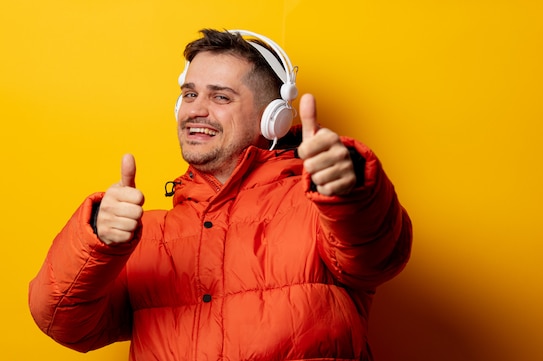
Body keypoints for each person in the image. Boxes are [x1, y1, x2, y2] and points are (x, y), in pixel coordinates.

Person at [29, 28, 412, 361]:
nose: (196, 110)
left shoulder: (319, 210)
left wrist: (349, 191)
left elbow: (380, 254)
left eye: (221, 97)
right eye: (189, 94)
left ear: (273, 117)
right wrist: (96, 239)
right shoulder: (143, 234)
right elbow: (63, 323)